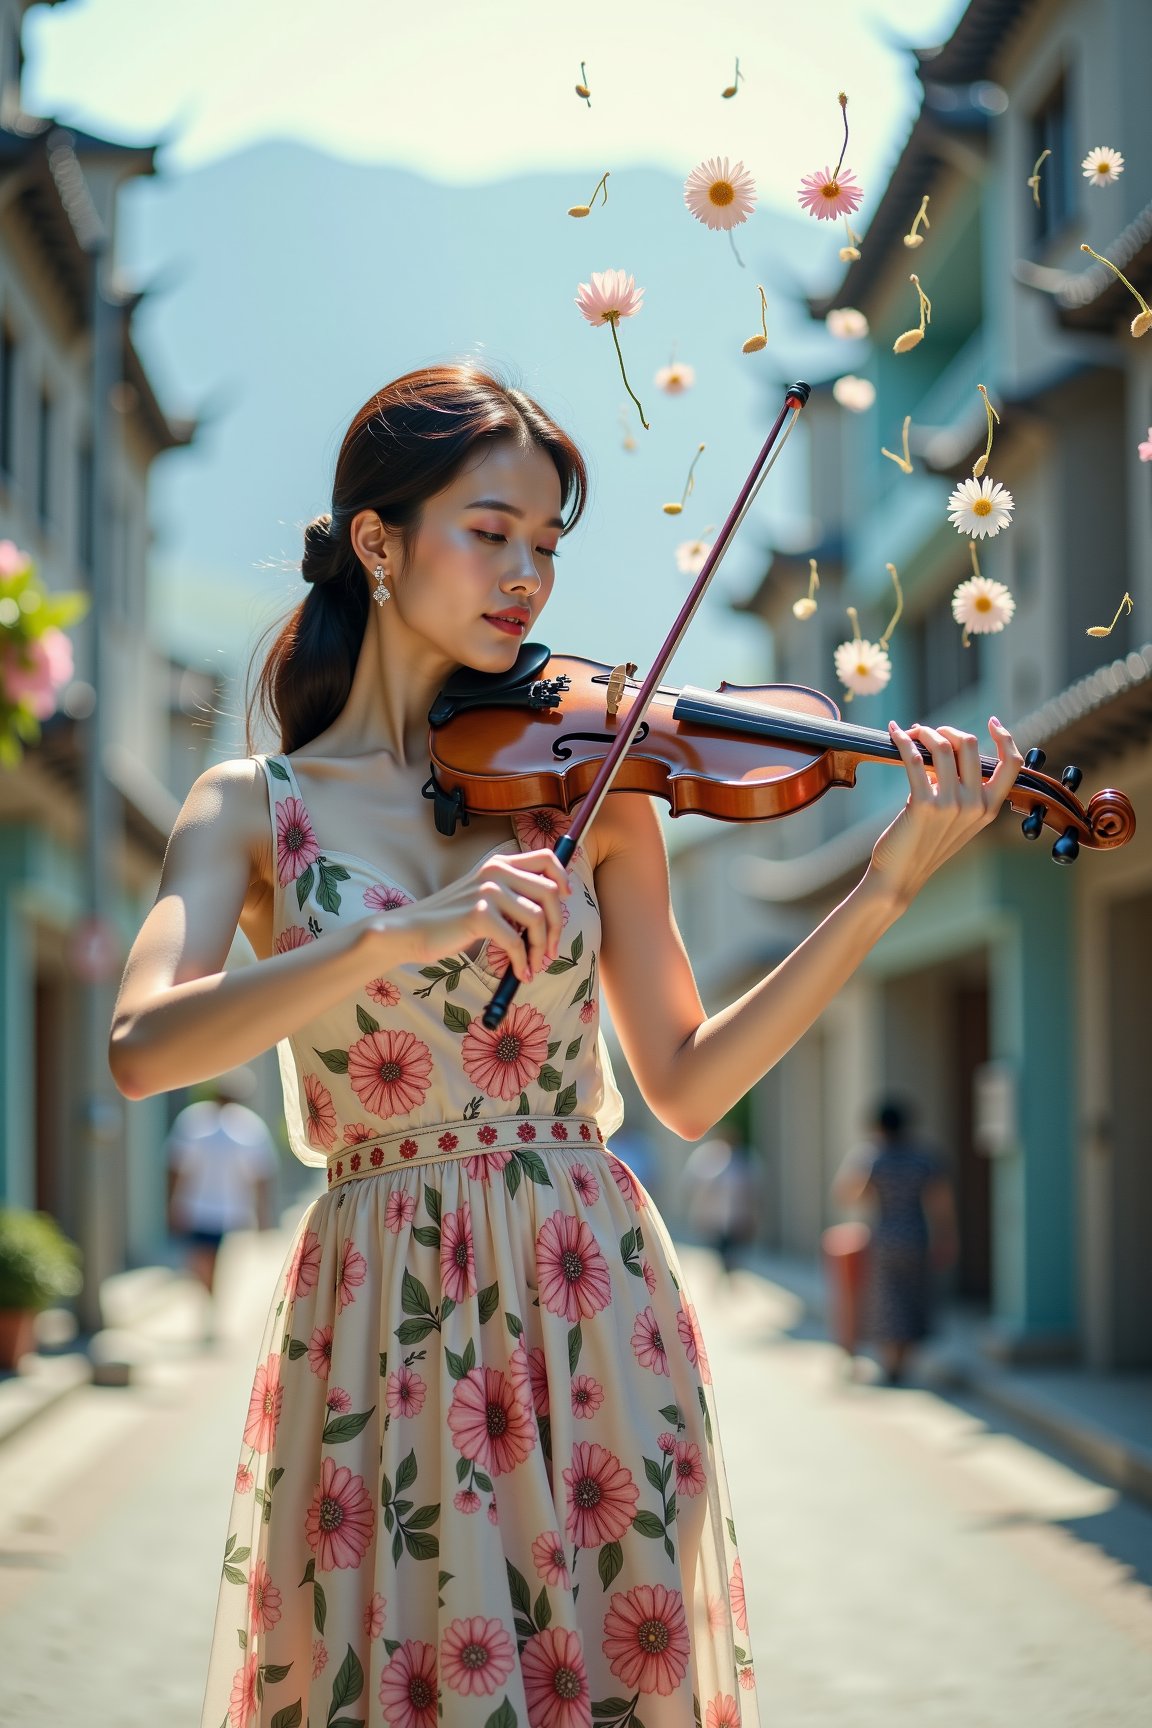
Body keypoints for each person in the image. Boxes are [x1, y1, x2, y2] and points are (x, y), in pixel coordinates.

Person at [108, 366, 1022, 1728]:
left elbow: (692, 1085)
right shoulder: (253, 805)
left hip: (588, 1296)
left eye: (547, 544)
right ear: (378, 540)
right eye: (490, 531)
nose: (527, 575)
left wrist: (883, 889)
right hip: (381, 1313)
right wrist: (381, 940)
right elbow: (139, 1047)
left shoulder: (595, 791)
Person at [832, 1099, 959, 1386]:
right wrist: (947, 1237)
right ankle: (904, 1360)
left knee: (887, 1301)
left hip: (884, 1236)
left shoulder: (872, 1156)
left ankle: (890, 1361)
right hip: (916, 1234)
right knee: (914, 1297)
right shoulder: (924, 1156)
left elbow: (847, 1194)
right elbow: (941, 1202)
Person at [164, 1064, 279, 1342]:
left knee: (214, 1264)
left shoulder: (245, 1126)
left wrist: (262, 1214)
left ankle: (211, 1311)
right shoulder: (196, 1120)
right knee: (203, 1264)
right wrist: (173, 1204)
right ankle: (210, 1308)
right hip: (201, 1207)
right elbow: (176, 1167)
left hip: (225, 1210)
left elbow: (261, 1176)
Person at [681, 1126, 759, 1275]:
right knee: (718, 1250)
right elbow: (691, 1185)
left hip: (738, 1217)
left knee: (733, 1250)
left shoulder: (744, 1160)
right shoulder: (706, 1157)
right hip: (712, 1217)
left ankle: (728, 1273)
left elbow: (754, 1190)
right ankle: (723, 1273)